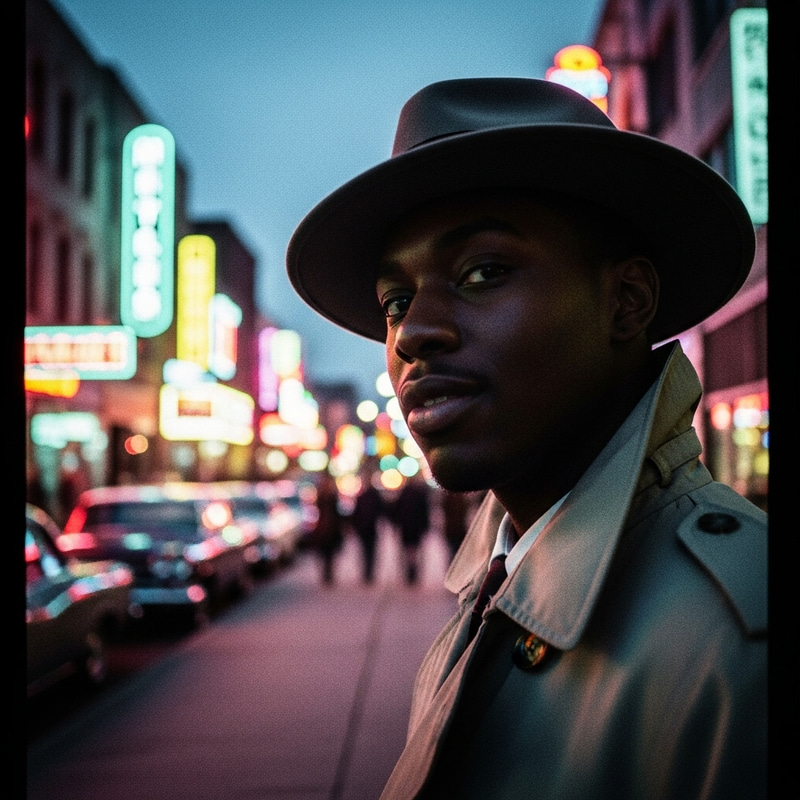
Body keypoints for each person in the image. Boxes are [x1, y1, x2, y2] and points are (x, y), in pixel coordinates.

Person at [286, 78, 767, 799]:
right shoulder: (489, 595)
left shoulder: (743, 638)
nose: (413, 333)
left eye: (485, 271)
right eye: (396, 300)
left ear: (625, 302)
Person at [350, 467, 386, 584]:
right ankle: (367, 572)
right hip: (364, 528)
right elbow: (356, 512)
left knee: (370, 551)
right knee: (366, 551)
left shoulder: (373, 496)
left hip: (370, 528)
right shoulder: (363, 496)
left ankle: (369, 572)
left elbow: (380, 510)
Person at [310, 471, 344, 585]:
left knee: (330, 554)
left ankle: (328, 574)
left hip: (331, 530)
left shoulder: (333, 497)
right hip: (322, 530)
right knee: (323, 554)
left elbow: (337, 514)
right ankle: (326, 574)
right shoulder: (320, 497)